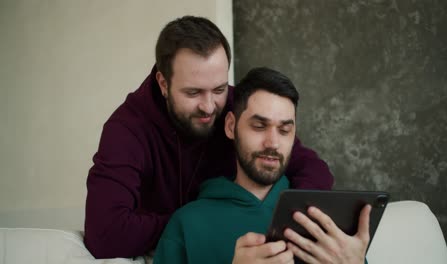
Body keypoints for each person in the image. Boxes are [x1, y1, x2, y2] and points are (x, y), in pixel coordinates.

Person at [84, 16, 333, 259]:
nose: (209, 106)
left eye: (219, 89)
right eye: (193, 92)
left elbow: (313, 168)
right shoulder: (127, 129)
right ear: (163, 83)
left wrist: (287, 217)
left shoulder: (237, 108)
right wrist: (200, 222)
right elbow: (105, 234)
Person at [153, 67, 370, 264]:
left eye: (284, 130)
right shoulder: (187, 224)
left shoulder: (325, 222)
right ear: (231, 126)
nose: (273, 143)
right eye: (259, 126)